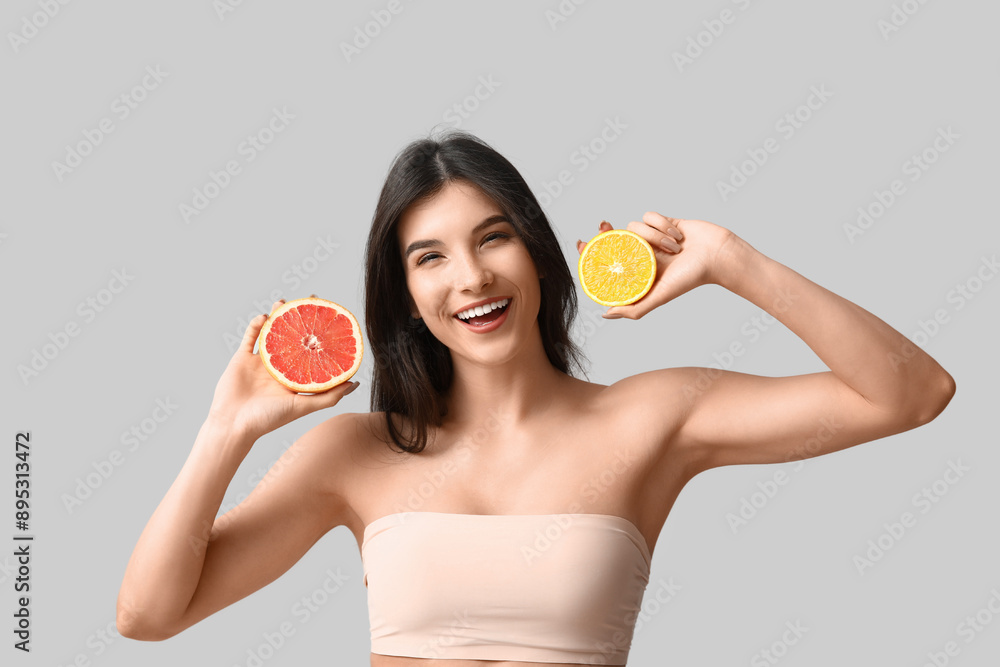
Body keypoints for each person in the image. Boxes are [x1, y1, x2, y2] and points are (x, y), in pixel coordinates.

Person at [116, 130, 955, 666]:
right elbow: (148, 615)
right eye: (430, 257)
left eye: (494, 238)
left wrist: (734, 259)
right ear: (406, 294)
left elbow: (911, 393)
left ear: (540, 256)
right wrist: (227, 428)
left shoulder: (651, 418)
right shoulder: (356, 452)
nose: (472, 276)